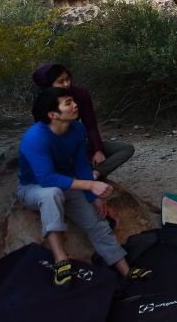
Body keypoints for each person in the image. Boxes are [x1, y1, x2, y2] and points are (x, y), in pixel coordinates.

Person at [17, 87, 152, 288]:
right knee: (51, 193)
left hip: (66, 183)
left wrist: (93, 197)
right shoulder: (35, 137)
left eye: (73, 101)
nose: (75, 105)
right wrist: (90, 184)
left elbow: (81, 164)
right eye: (68, 103)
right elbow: (45, 179)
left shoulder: (77, 129)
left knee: (96, 221)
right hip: (33, 188)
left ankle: (126, 270)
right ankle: (61, 260)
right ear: (53, 114)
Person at [33, 64, 134, 180]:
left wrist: (97, 149)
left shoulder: (80, 95)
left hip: (79, 144)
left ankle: (96, 174)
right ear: (49, 85)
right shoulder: (42, 104)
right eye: (61, 81)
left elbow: (90, 124)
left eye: (68, 79)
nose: (66, 84)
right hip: (58, 149)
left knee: (125, 149)